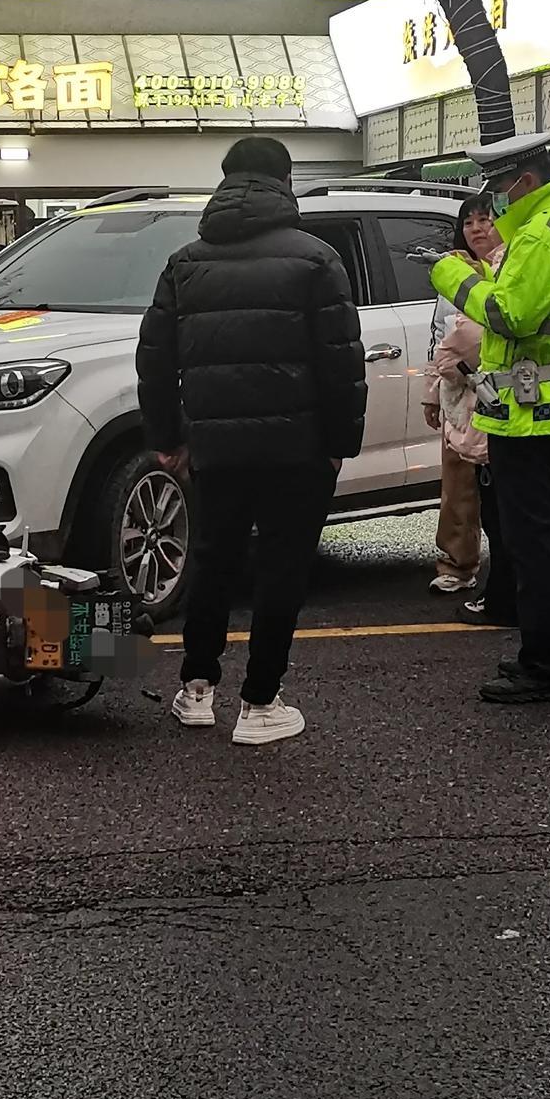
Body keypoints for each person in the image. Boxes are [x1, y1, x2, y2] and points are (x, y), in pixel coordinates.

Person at [135, 133, 367, 747]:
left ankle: (196, 689)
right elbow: (342, 361)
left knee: (212, 561)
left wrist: (166, 438)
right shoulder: (316, 259)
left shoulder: (186, 262)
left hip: (215, 449)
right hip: (299, 447)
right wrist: (341, 440)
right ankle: (261, 703)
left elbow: (154, 358)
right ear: (284, 183)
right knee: (282, 569)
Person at [430, 133, 550, 705]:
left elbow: (508, 313)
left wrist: (452, 277)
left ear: (523, 182)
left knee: (534, 547)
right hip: (549, 413)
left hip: (528, 421)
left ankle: (546, 667)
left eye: (498, 188)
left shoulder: (540, 235)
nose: (493, 202)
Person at [422, 200, 504, 596]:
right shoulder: (453, 273)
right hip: (457, 397)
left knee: (501, 492)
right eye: (468, 222)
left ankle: (507, 571)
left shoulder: (512, 267)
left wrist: (452, 356)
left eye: (484, 219)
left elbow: (470, 335)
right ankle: (457, 564)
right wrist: (431, 394)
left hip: (499, 395)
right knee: (457, 490)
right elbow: (438, 335)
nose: (476, 229)